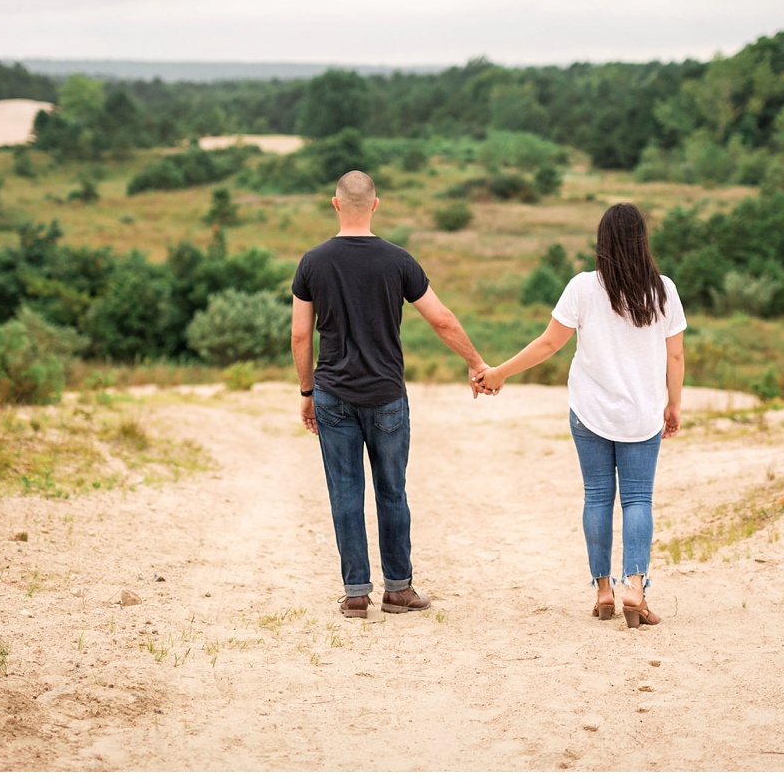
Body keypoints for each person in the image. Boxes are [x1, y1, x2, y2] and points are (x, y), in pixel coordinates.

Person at [475, 203, 685, 629]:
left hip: (589, 412)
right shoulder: (662, 290)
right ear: (642, 241)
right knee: (638, 499)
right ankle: (636, 589)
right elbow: (675, 355)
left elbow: (548, 344)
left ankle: (604, 591)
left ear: (602, 242)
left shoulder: (583, 288)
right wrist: (673, 404)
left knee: (597, 497)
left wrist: (497, 372)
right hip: (641, 414)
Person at [291, 170, 491, 618]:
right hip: (386, 396)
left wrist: (307, 391)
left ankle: (356, 593)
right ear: (375, 205)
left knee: (345, 493)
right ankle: (399, 590)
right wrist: (476, 363)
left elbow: (301, 337)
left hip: (333, 395)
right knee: (391, 492)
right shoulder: (399, 261)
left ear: (336, 204)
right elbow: (441, 319)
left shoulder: (312, 263)